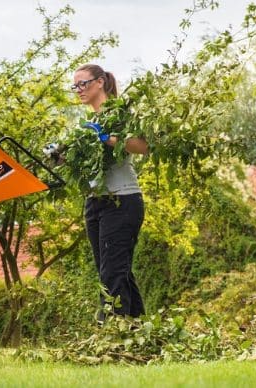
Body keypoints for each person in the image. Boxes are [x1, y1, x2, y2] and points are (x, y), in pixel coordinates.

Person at [72, 64, 148, 319]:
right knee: (114, 270)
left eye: (83, 83)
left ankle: (112, 335)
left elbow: (143, 146)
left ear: (100, 82)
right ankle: (138, 330)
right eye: (75, 86)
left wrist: (107, 138)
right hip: (95, 202)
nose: (78, 90)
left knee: (112, 273)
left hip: (122, 200)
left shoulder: (119, 112)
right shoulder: (87, 122)